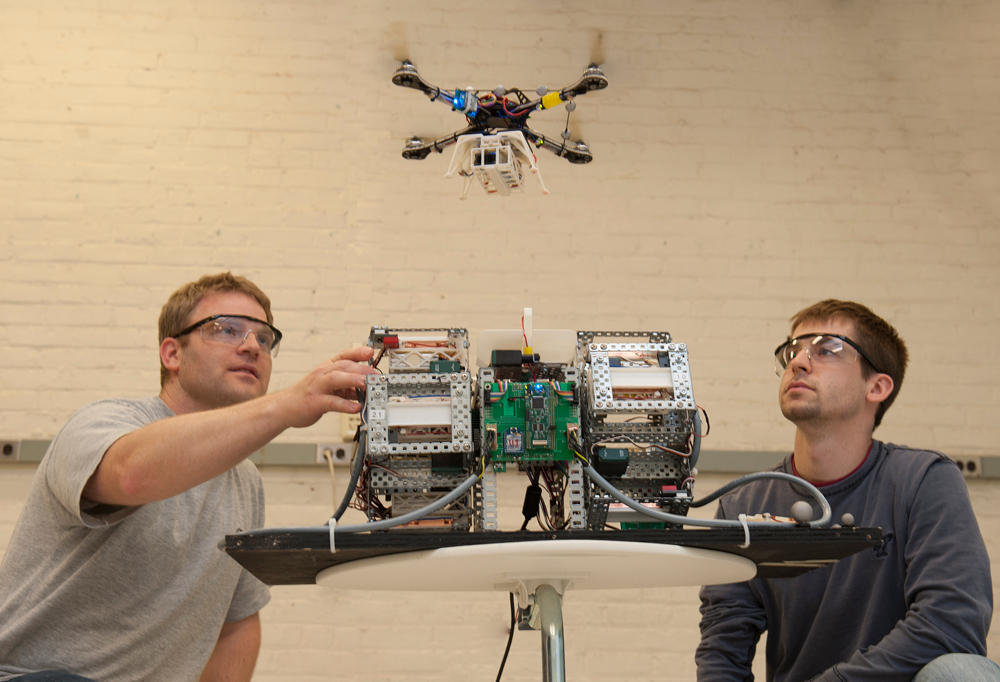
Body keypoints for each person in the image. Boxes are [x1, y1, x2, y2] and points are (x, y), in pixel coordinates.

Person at [0, 272, 376, 682]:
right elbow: (131, 476)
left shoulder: (245, 481)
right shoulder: (103, 423)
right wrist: (286, 405)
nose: (251, 345)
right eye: (226, 329)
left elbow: (236, 623)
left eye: (264, 338)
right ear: (172, 354)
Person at [696, 299, 998, 681]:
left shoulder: (923, 481)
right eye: (792, 350)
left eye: (827, 349)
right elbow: (723, 651)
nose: (798, 362)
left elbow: (952, 624)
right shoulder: (744, 504)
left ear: (877, 387)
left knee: (961, 672)